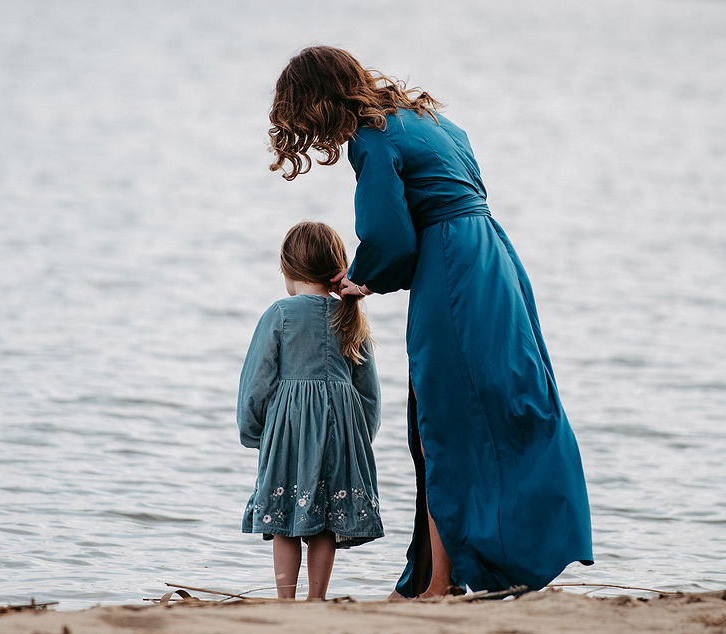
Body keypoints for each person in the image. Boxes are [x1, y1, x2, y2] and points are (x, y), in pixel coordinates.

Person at [268, 46, 593, 598]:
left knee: (440, 423)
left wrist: (361, 277)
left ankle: (439, 583)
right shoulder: (424, 116)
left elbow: (390, 235)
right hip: (493, 258)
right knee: (504, 404)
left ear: (321, 103)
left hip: (454, 273)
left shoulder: (370, 139)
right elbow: (456, 191)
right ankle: (439, 573)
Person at [237, 221, 383, 600]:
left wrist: (253, 431)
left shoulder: (280, 314)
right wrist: (360, 437)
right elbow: (369, 392)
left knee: (284, 519)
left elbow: (257, 380)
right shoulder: (351, 316)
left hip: (287, 433)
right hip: (341, 433)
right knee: (325, 521)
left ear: (288, 269)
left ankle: (286, 600)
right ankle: (317, 599)